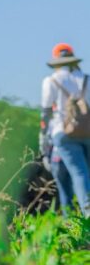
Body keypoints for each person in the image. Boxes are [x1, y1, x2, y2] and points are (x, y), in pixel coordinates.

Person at [40, 42, 90, 216]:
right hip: (88, 132)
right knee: (85, 173)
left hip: (63, 133)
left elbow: (46, 112)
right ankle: (80, 212)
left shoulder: (51, 80)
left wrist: (43, 140)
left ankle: (86, 213)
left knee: (78, 173)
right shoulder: (86, 78)